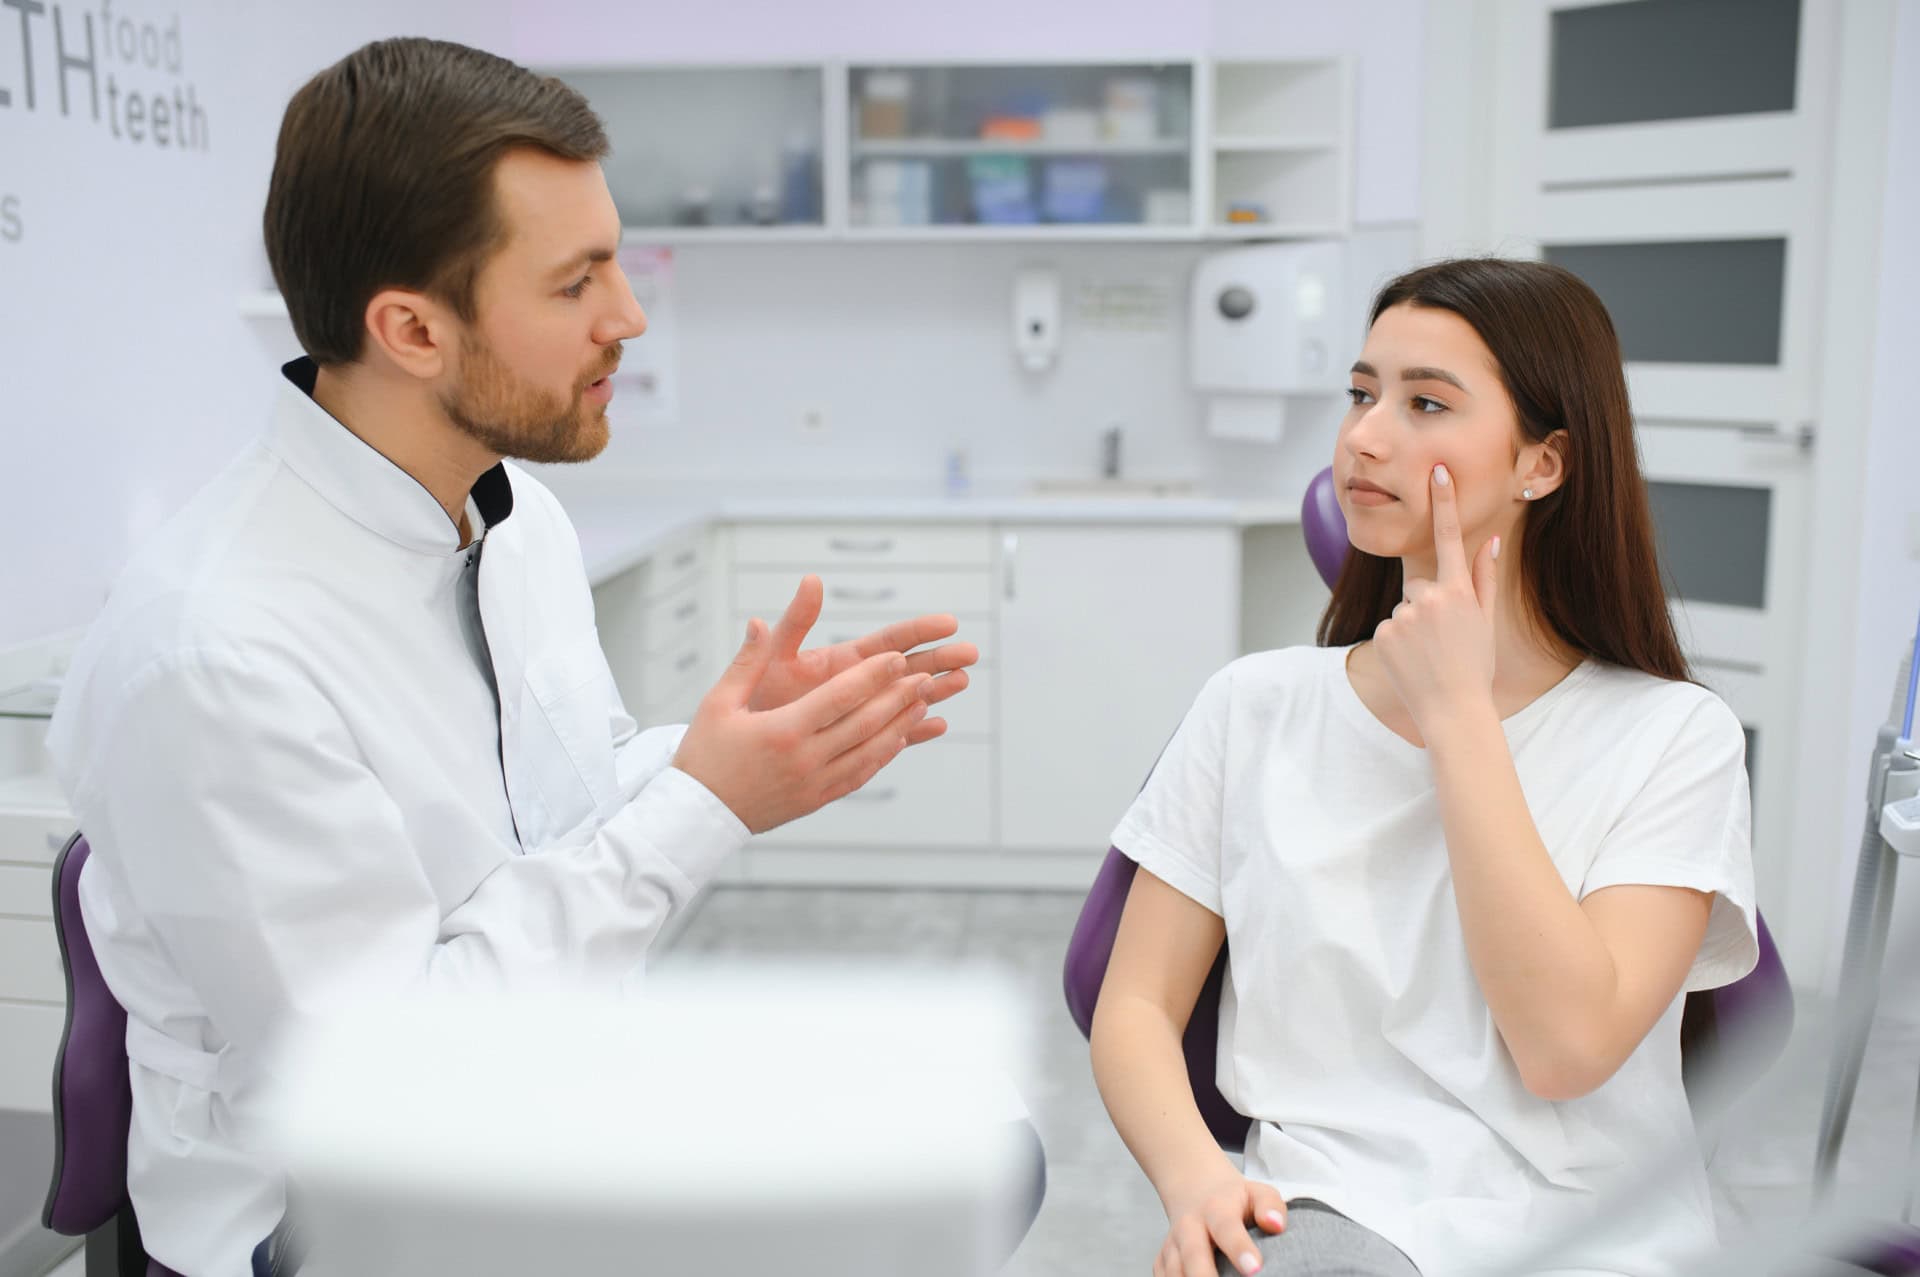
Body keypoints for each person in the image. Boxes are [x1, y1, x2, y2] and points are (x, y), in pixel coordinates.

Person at [47, 38, 985, 1276]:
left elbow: (563, 808)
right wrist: (705, 805)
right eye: (576, 282)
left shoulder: (510, 514)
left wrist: (728, 750)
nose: (629, 316)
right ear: (412, 330)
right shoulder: (215, 656)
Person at [1090, 258, 1758, 1277]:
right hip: (1333, 1210)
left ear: (1544, 462)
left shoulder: (1674, 736)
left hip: (1595, 1232)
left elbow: (1566, 1049)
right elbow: (1133, 1003)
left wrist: (1459, 718)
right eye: (1361, 393)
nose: (1365, 434)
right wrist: (1199, 1182)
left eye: (1426, 402)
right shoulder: (1254, 705)